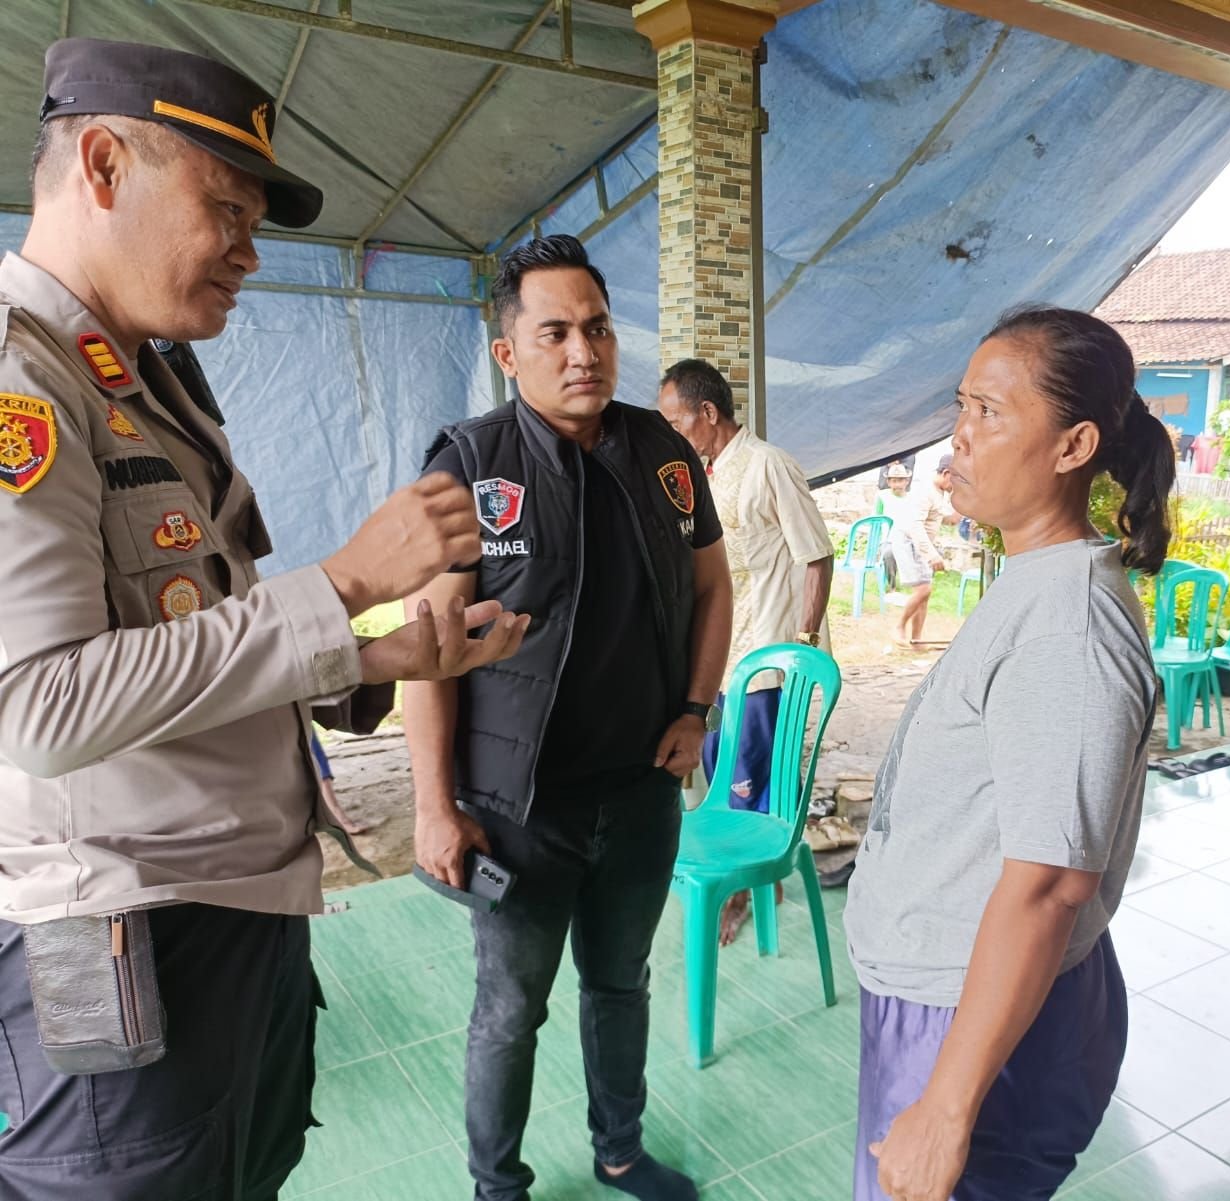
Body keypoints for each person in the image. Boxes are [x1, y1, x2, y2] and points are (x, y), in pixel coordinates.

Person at [0, 38, 527, 1201]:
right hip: (128, 936)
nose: (246, 252)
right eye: (225, 209)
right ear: (100, 162)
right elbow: (36, 706)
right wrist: (341, 585)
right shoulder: (19, 383)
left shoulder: (147, 375)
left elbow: (189, 625)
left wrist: (378, 651)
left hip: (235, 901)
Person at [404, 235, 733, 1201]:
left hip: (638, 790)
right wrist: (434, 805)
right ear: (509, 353)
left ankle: (620, 1150)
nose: (583, 351)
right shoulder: (469, 463)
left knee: (620, 983)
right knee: (509, 1010)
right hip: (518, 807)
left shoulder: (663, 452)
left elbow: (713, 588)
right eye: (555, 332)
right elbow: (426, 648)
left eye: (597, 327)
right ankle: (497, 1185)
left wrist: (695, 711)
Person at [845, 306, 1171, 1201]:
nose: (959, 435)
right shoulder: (1032, 580)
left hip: (977, 1023)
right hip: (954, 992)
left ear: (1073, 448)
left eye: (990, 412)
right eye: (962, 405)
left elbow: (1048, 883)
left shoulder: (1066, 629)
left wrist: (947, 1107)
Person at [657, 357, 835, 945]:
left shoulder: (769, 465)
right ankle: (755, 881)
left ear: (709, 413)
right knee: (716, 764)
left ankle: (743, 888)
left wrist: (803, 645)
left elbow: (816, 555)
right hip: (725, 655)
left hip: (770, 657)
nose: (673, 436)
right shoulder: (707, 474)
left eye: (678, 423)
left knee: (748, 774)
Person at [880, 463, 945, 646]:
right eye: (894, 480)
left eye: (901, 479)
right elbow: (915, 527)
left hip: (921, 545)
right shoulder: (924, 492)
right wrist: (931, 555)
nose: (897, 483)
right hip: (906, 541)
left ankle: (917, 640)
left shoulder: (939, 494)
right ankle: (899, 626)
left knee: (924, 594)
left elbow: (945, 518)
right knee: (924, 589)